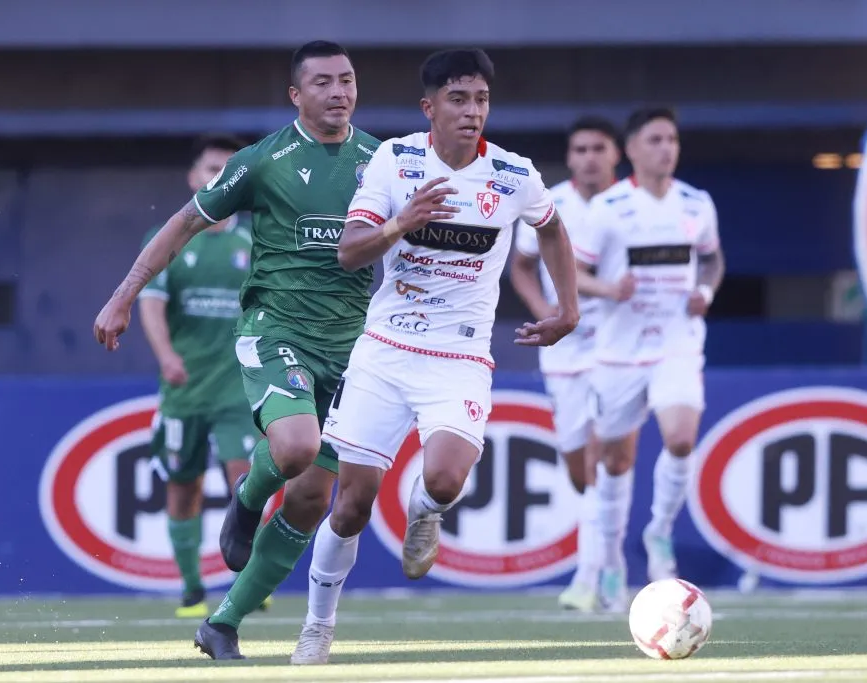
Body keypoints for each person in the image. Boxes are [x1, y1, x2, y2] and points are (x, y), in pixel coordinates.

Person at [286, 48, 580, 665]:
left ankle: (426, 511)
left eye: (481, 100)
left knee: (444, 478)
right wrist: (403, 223)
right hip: (385, 353)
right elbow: (348, 252)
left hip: (460, 358)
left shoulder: (513, 174)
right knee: (351, 506)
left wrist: (568, 308)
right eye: (458, 99)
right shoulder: (396, 160)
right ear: (430, 108)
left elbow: (550, 227)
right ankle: (317, 627)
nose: (472, 111)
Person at [92, 40, 380, 660]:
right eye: (324, 82)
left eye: (348, 80)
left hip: (356, 349)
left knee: (307, 500)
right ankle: (249, 495)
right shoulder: (264, 159)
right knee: (297, 447)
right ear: (296, 95)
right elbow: (182, 223)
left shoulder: (380, 161)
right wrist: (123, 295)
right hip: (276, 331)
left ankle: (222, 623)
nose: (339, 92)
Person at [573, 107, 725, 612]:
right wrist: (609, 289)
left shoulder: (696, 203)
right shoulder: (609, 207)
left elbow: (712, 257)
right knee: (615, 462)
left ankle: (659, 531)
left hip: (678, 342)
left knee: (681, 437)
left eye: (673, 139)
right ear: (633, 149)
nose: (667, 148)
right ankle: (613, 560)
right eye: (656, 139)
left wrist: (705, 289)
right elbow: (575, 273)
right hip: (618, 351)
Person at [137, 133, 272, 618]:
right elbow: (151, 304)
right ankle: (192, 589)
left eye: (226, 170)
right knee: (183, 485)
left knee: (245, 479)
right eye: (210, 170)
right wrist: (167, 355)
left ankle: (248, 581)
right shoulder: (170, 237)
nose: (218, 178)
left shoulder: (255, 239)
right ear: (193, 178)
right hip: (185, 387)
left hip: (240, 385)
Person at [509, 116, 622, 612]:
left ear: (615, 154)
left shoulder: (632, 206)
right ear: (570, 156)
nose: (590, 157)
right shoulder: (549, 202)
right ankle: (605, 555)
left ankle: (590, 574)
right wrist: (545, 314)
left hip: (621, 348)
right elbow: (521, 265)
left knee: (603, 459)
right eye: (580, 149)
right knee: (579, 465)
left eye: (599, 147)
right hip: (567, 350)